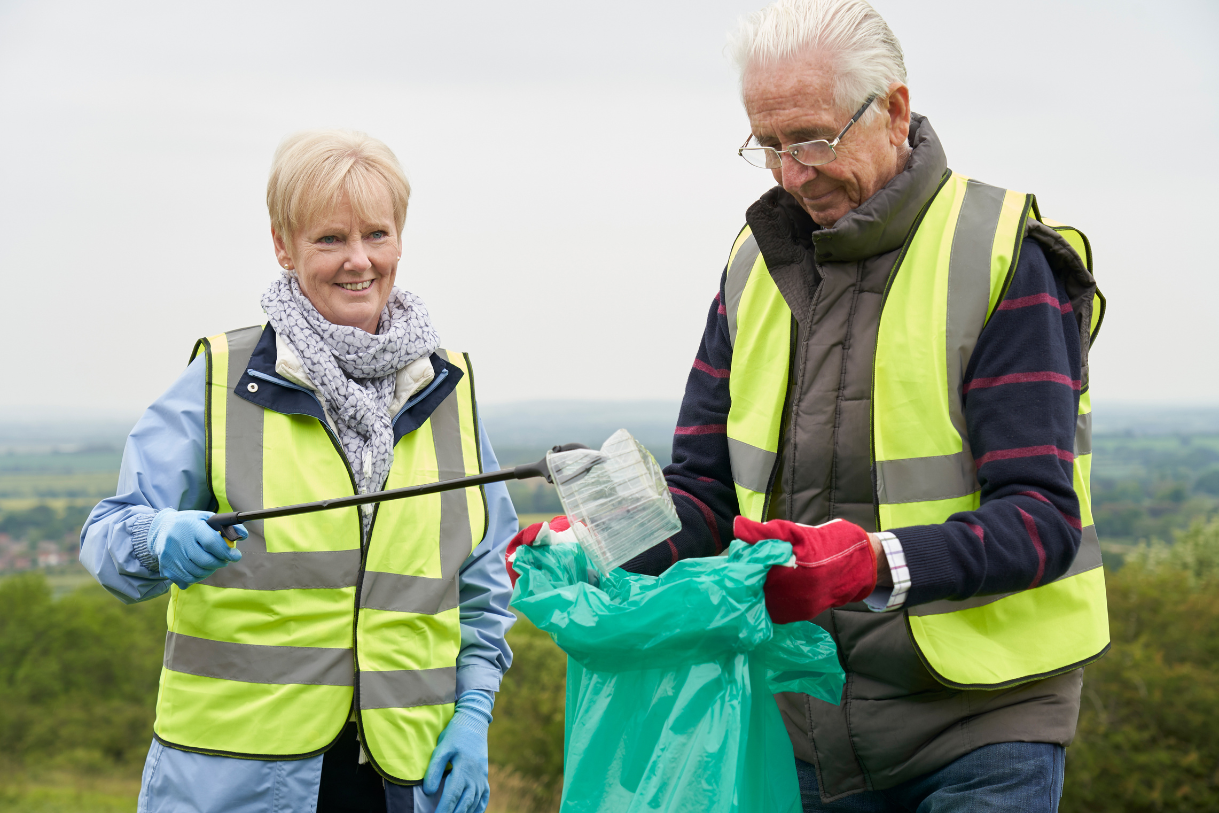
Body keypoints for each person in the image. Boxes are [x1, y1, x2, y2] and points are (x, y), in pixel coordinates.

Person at [510, 1, 1107, 810]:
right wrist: (593, 541)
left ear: (893, 108)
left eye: (814, 139)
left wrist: (870, 563)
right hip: (799, 727)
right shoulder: (749, 266)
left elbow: (1038, 517)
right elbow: (704, 497)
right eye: (770, 145)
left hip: (979, 729)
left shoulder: (1001, 255)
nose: (793, 172)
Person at [81, 129, 516, 813]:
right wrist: (157, 535)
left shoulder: (446, 389)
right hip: (235, 782)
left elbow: (484, 584)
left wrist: (474, 711)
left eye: (377, 233)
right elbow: (106, 538)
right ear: (283, 246)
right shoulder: (222, 380)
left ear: (400, 238)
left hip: (407, 777)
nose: (358, 260)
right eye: (328, 239)